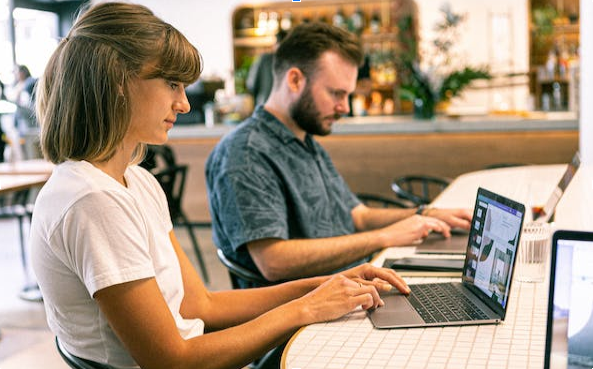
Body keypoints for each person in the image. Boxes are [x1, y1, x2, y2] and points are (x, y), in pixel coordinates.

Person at [30, 3, 410, 369]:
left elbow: (203, 306)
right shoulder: (92, 200)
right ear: (118, 83)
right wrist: (306, 308)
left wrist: (329, 284)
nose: (183, 104)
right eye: (172, 84)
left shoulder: (136, 181)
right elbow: (171, 361)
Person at [206, 22, 473, 288]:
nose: (344, 107)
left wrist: (426, 214)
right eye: (336, 93)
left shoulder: (305, 140)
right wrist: (383, 237)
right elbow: (273, 261)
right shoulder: (245, 153)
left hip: (351, 285)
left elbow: (358, 216)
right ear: (295, 80)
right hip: (303, 314)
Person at [245, 29, 287, 108]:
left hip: (264, 106)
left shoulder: (264, 59)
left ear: (275, 44)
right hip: (285, 111)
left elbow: (251, 84)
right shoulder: (292, 61)